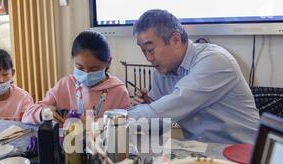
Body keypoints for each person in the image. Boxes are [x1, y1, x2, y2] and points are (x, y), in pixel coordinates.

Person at [128, 10, 260, 144]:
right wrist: (147, 105)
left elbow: (166, 109)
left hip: (243, 155)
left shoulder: (214, 60)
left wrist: (115, 119)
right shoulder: (161, 73)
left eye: (150, 49)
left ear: (176, 40)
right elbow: (160, 121)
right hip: (202, 154)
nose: (148, 58)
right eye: (143, 51)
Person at [22, 30, 130, 125]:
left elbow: (126, 125)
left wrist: (95, 124)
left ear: (108, 62)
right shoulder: (66, 85)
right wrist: (42, 113)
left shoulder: (118, 91)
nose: (86, 73)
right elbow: (27, 115)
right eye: (80, 67)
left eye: (94, 69)